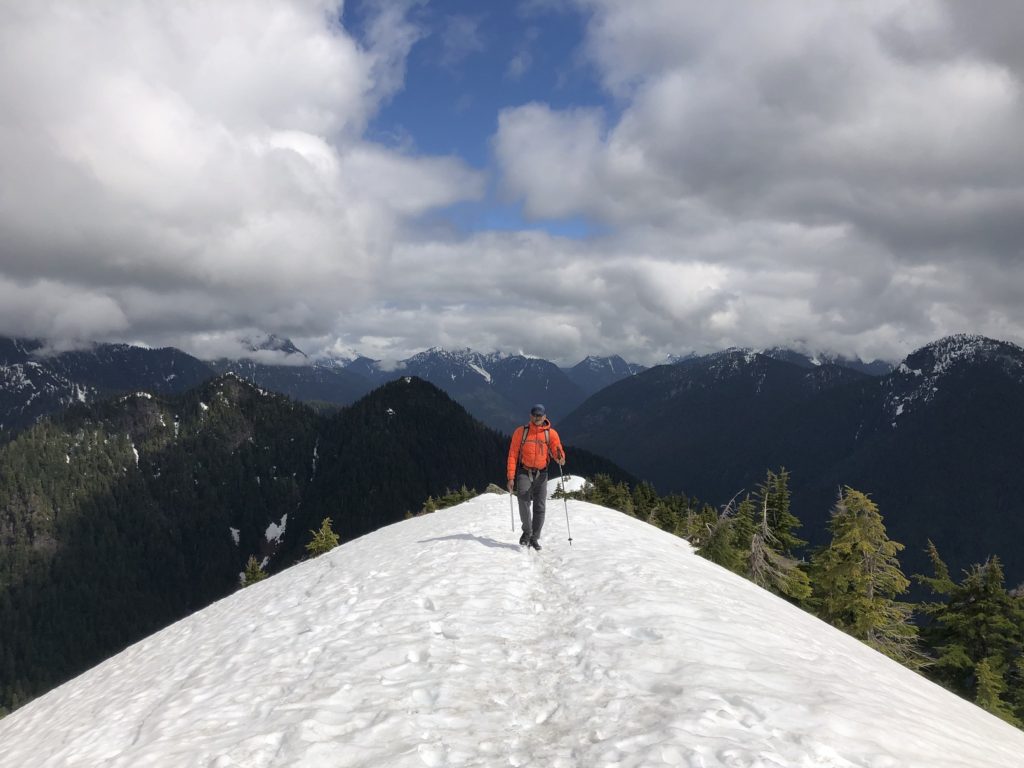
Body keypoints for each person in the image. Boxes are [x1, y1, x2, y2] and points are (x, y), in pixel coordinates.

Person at [506, 403, 565, 550]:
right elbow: (512, 454)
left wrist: (560, 457)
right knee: (523, 501)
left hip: (542, 473)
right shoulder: (521, 432)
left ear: (545, 416)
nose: (537, 418)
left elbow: (557, 451)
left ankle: (534, 538)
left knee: (540, 507)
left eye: (539, 415)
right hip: (524, 471)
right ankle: (527, 532)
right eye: (534, 415)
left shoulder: (551, 434)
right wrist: (511, 477)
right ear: (530, 415)